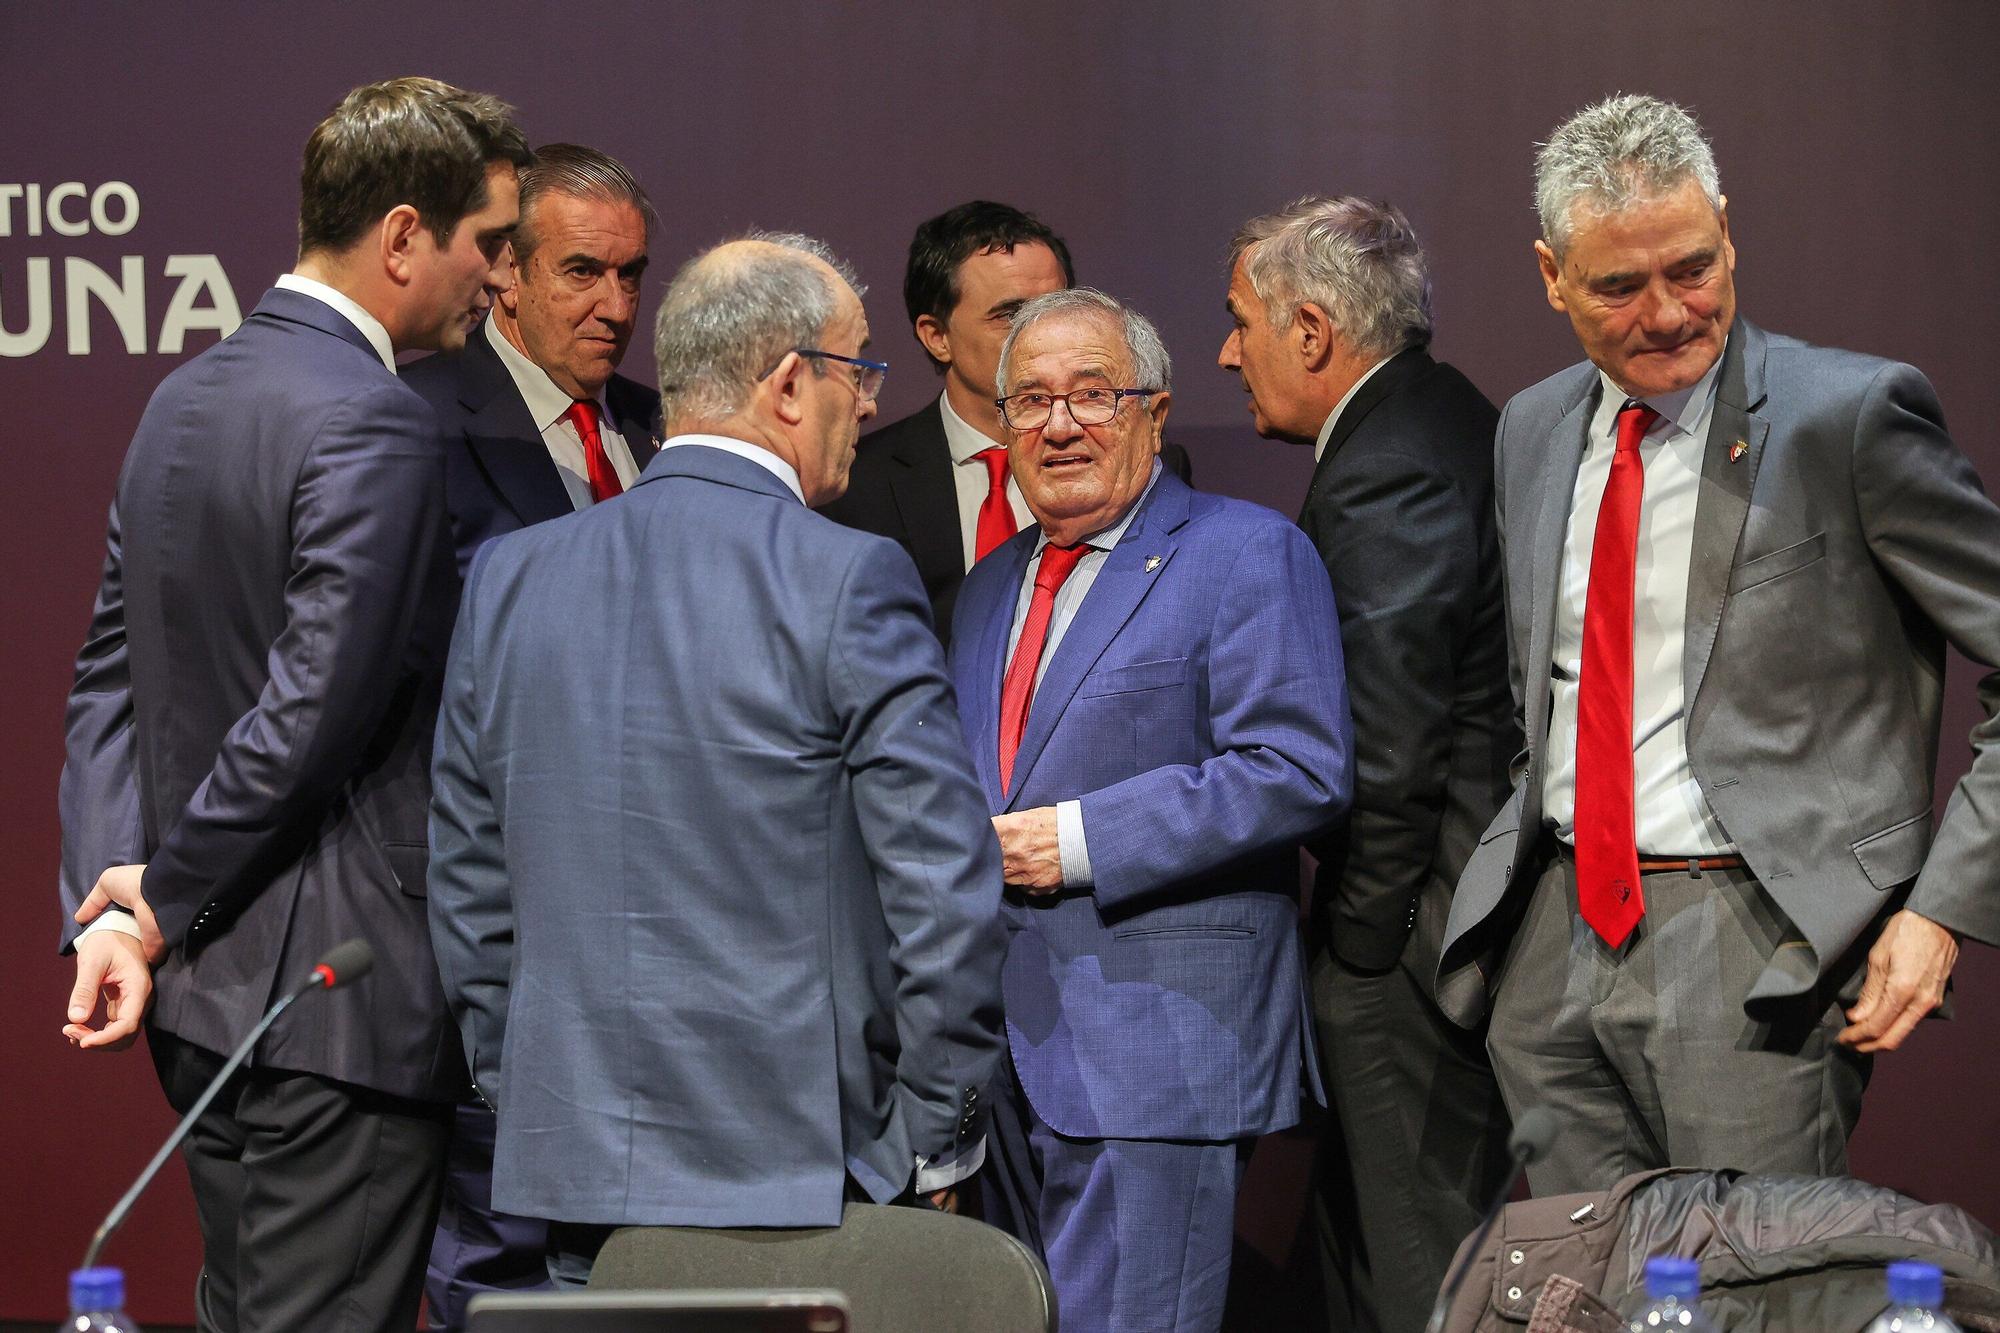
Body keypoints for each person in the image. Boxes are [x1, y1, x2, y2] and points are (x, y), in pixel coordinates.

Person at [1439, 93, 2000, 1195]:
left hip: (1753, 942)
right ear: (1549, 276)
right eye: (1617, 285)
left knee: (1749, 1299)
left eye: (1691, 267)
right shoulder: (1531, 427)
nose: (1666, 312)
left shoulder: (1847, 417)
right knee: (1585, 1297)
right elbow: (1547, 691)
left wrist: (1938, 910)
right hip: (1552, 933)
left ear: (1727, 232)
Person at [427, 233, 1007, 1287]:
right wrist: (936, 1132)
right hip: (802, 1170)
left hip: (580, 1160)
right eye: (859, 370)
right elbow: (939, 882)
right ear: (790, 383)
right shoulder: (849, 577)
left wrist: (531, 1089)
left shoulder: (512, 575)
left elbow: (468, 880)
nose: (871, 405)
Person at [56, 77, 529, 1331]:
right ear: (402, 238)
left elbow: (107, 675)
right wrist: (150, 903)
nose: (500, 279)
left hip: (213, 1006)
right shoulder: (374, 417)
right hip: (331, 1005)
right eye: (488, 243)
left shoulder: (182, 397)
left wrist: (114, 898)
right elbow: (310, 712)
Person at [950, 287, 1351, 1331]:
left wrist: (1077, 841)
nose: (1059, 424)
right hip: (1000, 1058)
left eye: (1091, 394)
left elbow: (1296, 767)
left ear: (1153, 411)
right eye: (1029, 401)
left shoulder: (1245, 552)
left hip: (1158, 1054)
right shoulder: (987, 586)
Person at [1219, 196, 1515, 1333]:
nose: (1223, 351)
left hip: (1411, 952)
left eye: (1238, 321)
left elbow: (1389, 745)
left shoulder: (1388, 461)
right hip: (1429, 935)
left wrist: (1362, 949)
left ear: (1307, 329)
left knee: (1417, 1276)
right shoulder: (1426, 420)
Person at [401, 142, 659, 1328]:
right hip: (507, 919)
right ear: (502, 271)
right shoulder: (415, 424)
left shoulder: (664, 431)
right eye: (582, 273)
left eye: (633, 276)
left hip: (656, 935)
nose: (615, 306)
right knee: (499, 1271)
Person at [822, 200, 1189, 646]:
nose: (1037, 330)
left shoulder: (1135, 456)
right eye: (1010, 314)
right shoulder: (858, 485)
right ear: (936, 337)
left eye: (1055, 307)